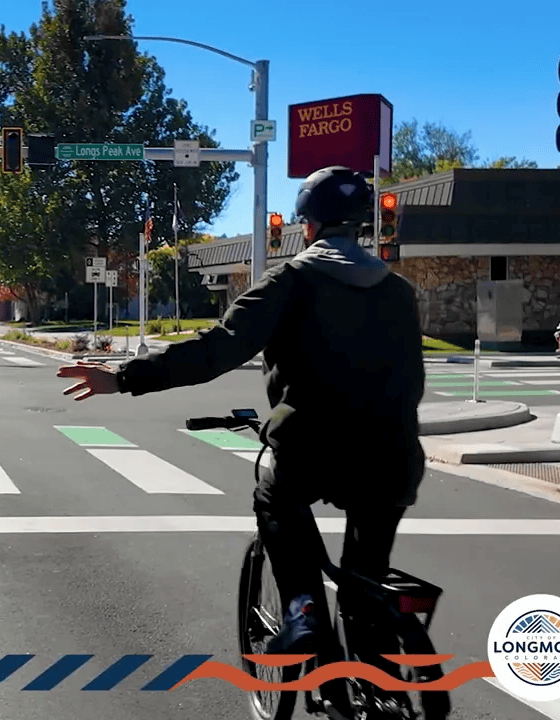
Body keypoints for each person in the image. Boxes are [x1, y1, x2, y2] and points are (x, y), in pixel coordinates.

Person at [57, 166, 426, 658]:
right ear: (362, 224)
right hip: (393, 457)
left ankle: (303, 613)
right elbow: (413, 381)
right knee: (366, 578)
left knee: (276, 499)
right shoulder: (399, 292)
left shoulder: (290, 282)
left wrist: (124, 378)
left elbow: (216, 351)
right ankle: (380, 672)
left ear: (307, 225)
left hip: (313, 449)